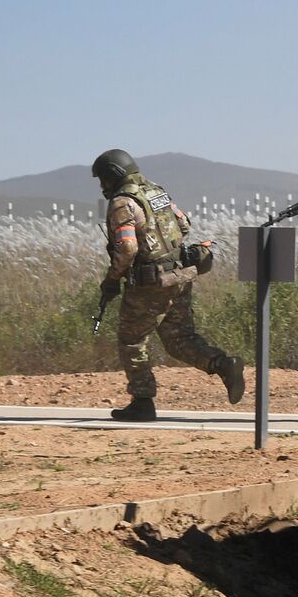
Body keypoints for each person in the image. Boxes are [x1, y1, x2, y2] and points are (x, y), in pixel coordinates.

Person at [93, 149, 245, 421]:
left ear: (114, 175)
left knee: (131, 340)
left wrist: (112, 278)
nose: (102, 185)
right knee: (179, 339)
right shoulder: (155, 192)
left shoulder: (122, 203)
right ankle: (223, 365)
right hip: (179, 276)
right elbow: (184, 224)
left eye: (103, 179)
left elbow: (127, 248)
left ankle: (142, 401)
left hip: (149, 284)